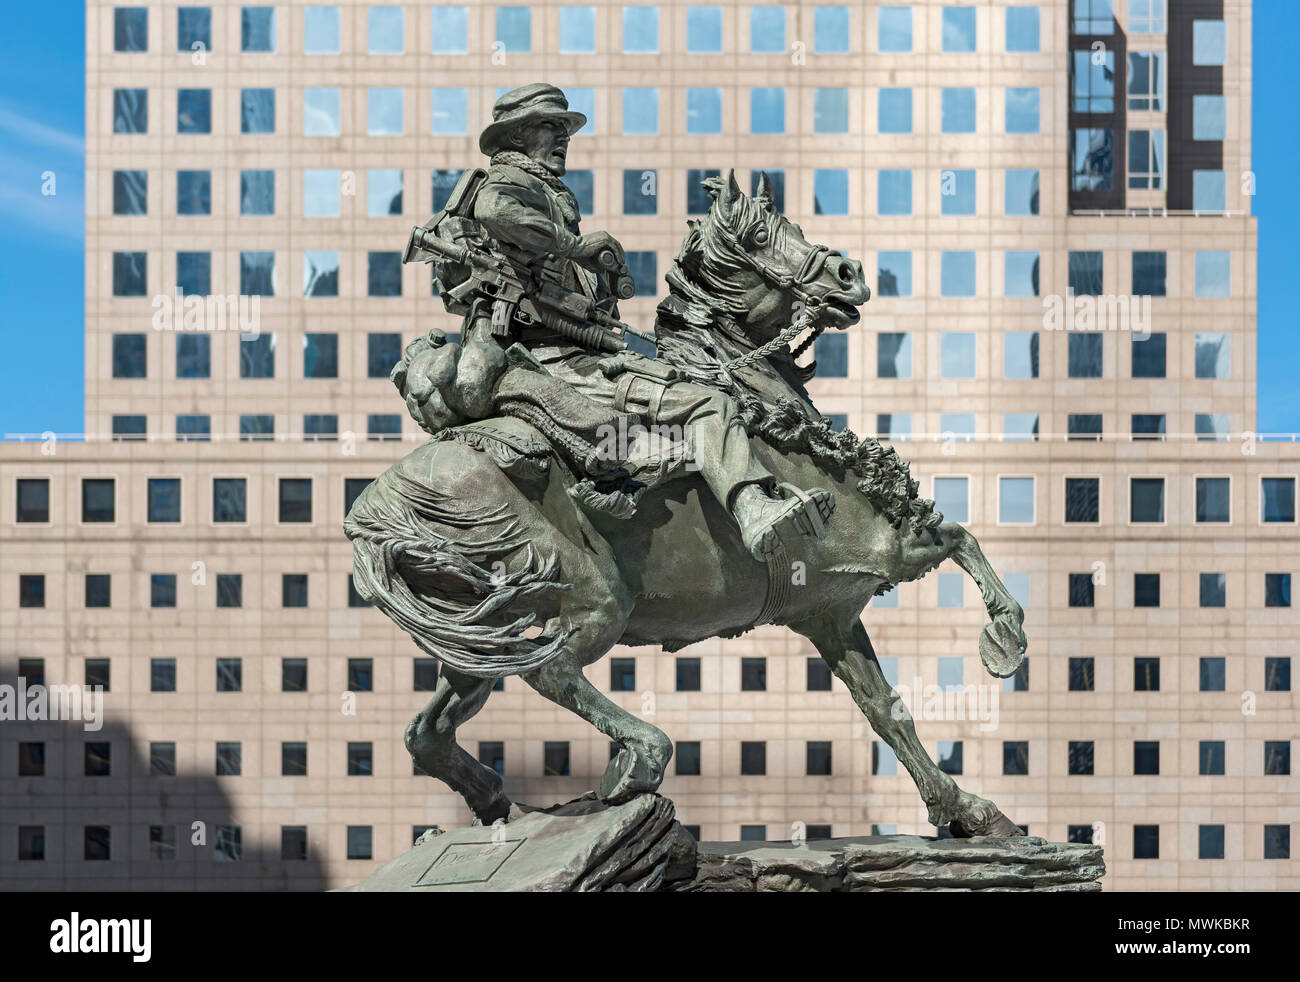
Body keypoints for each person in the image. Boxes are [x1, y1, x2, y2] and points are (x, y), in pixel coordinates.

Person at [439, 83, 833, 560]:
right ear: (518, 136)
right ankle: (751, 508)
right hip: (555, 359)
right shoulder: (511, 182)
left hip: (578, 348)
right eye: (551, 126)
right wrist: (574, 246)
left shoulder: (544, 189)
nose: (564, 137)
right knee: (708, 405)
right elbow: (495, 210)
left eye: (565, 128)